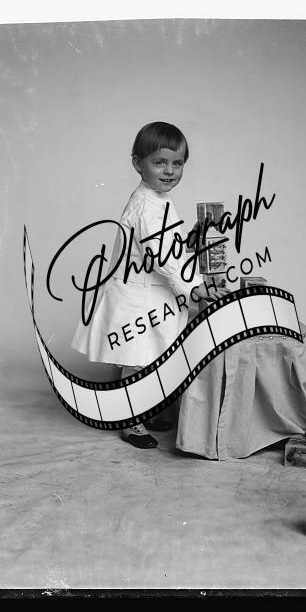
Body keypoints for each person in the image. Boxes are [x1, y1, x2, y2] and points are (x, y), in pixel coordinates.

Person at [71, 122, 224, 448]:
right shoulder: (146, 205)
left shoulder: (158, 199)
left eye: (177, 163)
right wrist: (194, 287)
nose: (169, 171)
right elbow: (161, 256)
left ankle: (142, 409)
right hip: (138, 296)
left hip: (150, 292)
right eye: (160, 162)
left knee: (152, 357)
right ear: (138, 164)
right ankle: (131, 422)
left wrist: (192, 239)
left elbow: (166, 245)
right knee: (138, 358)